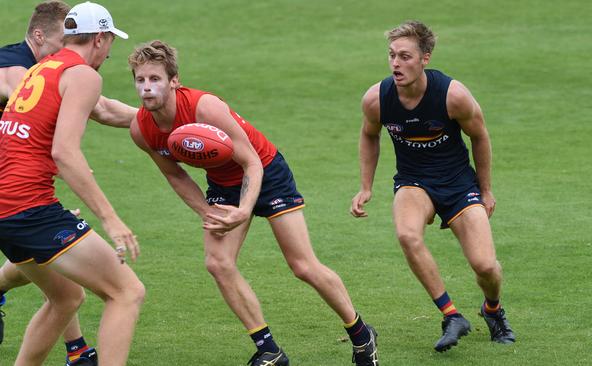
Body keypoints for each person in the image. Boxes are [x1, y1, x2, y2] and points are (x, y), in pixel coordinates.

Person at [128, 40, 378, 366]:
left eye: (155, 79)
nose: (147, 88)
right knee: (217, 262)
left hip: (267, 171)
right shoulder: (141, 130)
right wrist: (207, 211)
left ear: (174, 80)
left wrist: (245, 210)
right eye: (140, 80)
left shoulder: (206, 108)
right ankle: (269, 349)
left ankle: (361, 334)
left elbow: (251, 163)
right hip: (222, 183)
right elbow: (175, 176)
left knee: (302, 265)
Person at [350, 20, 516, 353]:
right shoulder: (377, 99)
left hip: (458, 184)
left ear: (425, 58)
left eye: (405, 56)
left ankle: (492, 309)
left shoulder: (453, 95)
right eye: (392, 55)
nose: (396, 64)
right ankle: (451, 315)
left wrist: (486, 190)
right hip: (414, 182)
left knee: (485, 266)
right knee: (407, 235)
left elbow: (480, 137)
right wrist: (365, 186)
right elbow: (369, 134)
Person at [0, 2, 145, 365]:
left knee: (66, 298)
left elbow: (104, 112)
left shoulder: (41, 68)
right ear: (100, 38)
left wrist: (163, 118)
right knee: (127, 291)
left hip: (5, 208)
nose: (109, 51)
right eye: (110, 42)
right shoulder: (82, 74)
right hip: (28, 207)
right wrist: (112, 219)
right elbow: (65, 152)